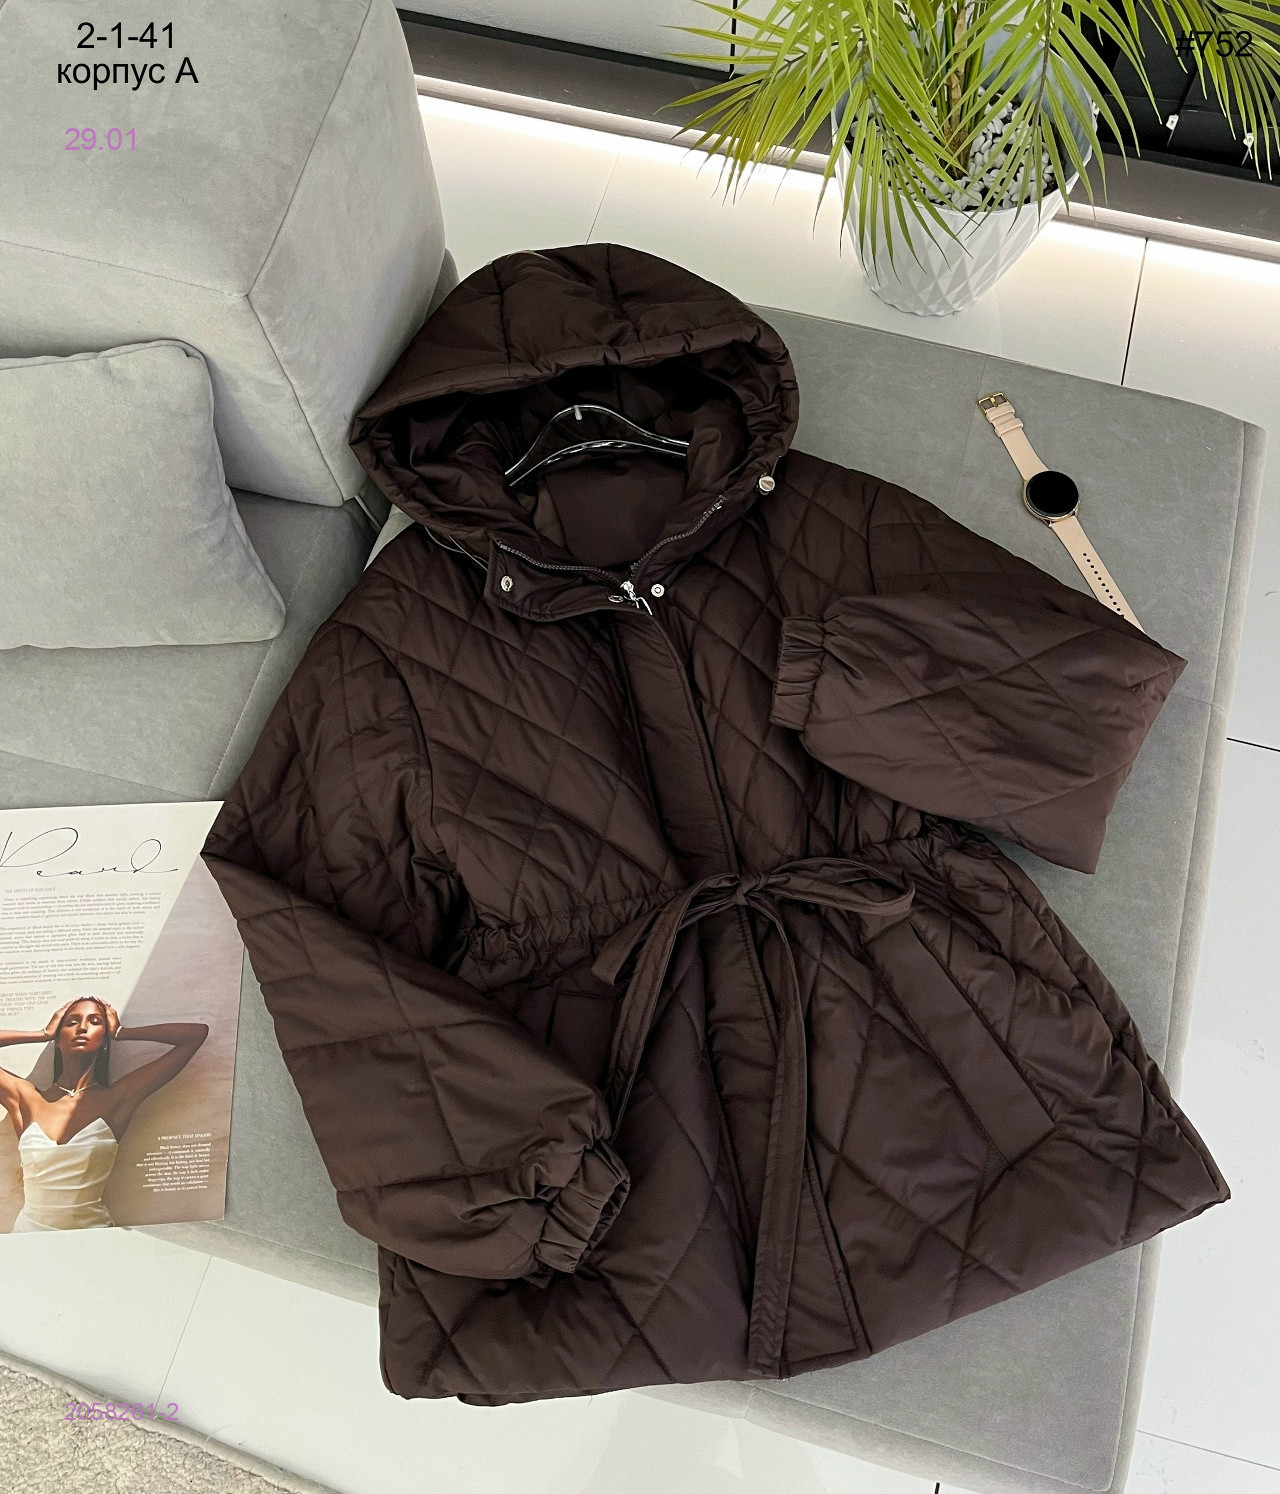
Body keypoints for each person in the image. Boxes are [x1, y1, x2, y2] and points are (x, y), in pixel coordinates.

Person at [0, 998, 208, 1231]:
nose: (82, 1028)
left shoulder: (116, 1099)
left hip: (93, 1236)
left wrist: (121, 1032)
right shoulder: (27, 1099)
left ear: (104, 1040)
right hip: (29, 1235)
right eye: (72, 1022)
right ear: (58, 1039)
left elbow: (195, 1035)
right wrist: (43, 1034)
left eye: (94, 1021)